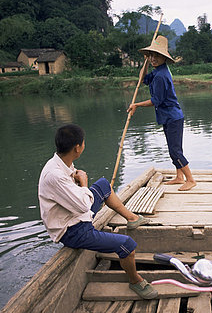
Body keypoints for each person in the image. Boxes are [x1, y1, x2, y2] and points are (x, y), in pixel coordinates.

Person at [38, 124, 158, 300]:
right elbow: (83, 206)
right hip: (72, 230)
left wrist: (80, 183)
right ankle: (135, 281)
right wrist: (84, 182)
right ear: (77, 147)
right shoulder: (54, 175)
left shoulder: (63, 162)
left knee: (103, 185)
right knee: (127, 245)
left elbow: (77, 201)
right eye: (83, 142)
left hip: (75, 213)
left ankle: (132, 218)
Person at [127, 36, 196, 191]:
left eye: (156, 56)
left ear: (164, 58)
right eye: (151, 56)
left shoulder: (161, 76)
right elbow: (143, 79)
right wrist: (145, 62)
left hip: (173, 117)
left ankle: (190, 180)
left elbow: (156, 101)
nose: (153, 59)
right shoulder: (157, 71)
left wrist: (136, 104)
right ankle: (179, 177)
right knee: (174, 148)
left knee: (175, 150)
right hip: (168, 117)